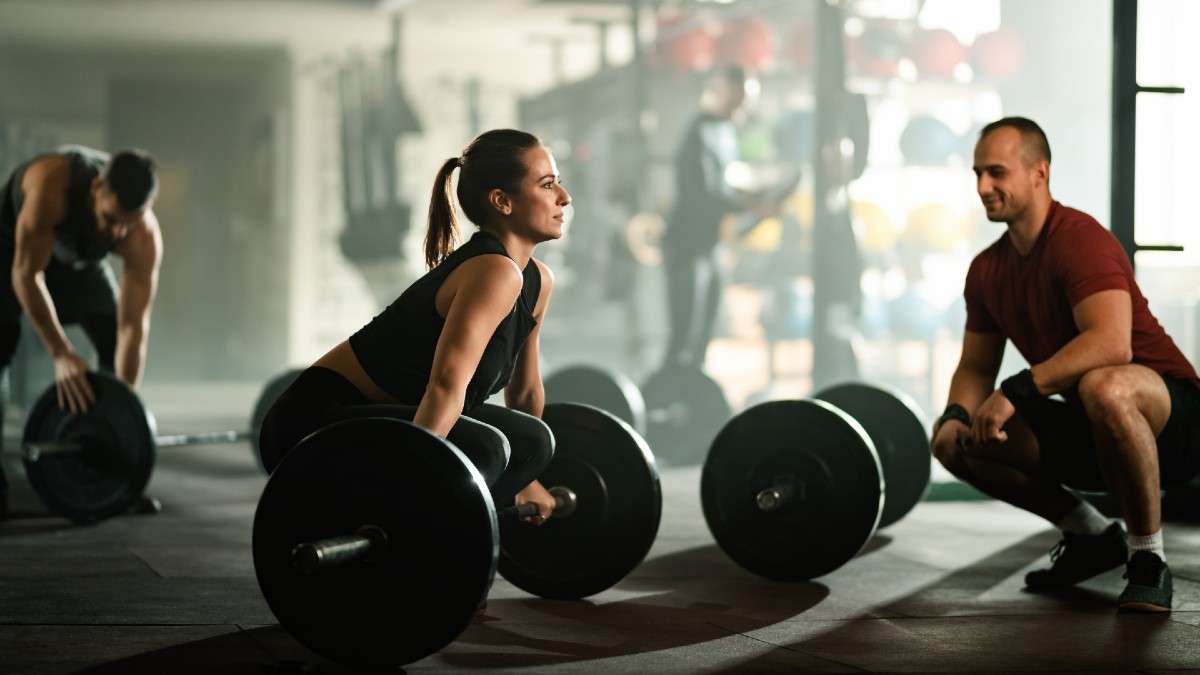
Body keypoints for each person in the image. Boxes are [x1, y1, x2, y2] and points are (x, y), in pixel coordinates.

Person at [930, 117, 1200, 613]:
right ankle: (1091, 535)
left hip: (1174, 425)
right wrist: (955, 416)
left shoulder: (1079, 239)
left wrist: (1015, 391)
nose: (983, 187)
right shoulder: (988, 270)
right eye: (977, 174)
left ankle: (1147, 560)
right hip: (1094, 429)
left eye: (996, 172)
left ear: (1039, 173)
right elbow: (974, 367)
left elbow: (1111, 343)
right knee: (956, 442)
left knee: (1106, 384)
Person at [259, 128, 566, 524]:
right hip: (311, 426)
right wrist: (410, 488)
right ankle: (410, 536)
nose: (564, 197)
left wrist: (527, 476)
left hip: (397, 419)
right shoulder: (493, 271)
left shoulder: (537, 280)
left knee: (533, 441)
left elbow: (524, 393)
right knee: (486, 449)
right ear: (502, 201)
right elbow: (444, 388)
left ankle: (438, 532)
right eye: (547, 185)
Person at [0, 145, 162, 518]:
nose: (117, 230)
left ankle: (116, 478)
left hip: (77, 263)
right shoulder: (50, 185)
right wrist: (61, 352)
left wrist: (124, 413)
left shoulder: (142, 235)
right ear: (95, 190)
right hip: (12, 250)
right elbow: (26, 275)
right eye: (110, 217)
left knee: (112, 341)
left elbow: (132, 327)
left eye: (129, 221)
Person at [661, 65, 782, 370]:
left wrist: (753, 202)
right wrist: (752, 206)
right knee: (684, 337)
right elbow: (702, 194)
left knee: (704, 335)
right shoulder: (700, 132)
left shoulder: (726, 133)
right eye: (739, 97)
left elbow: (725, 188)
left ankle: (691, 394)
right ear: (723, 91)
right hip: (687, 247)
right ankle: (667, 397)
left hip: (710, 246)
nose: (743, 105)